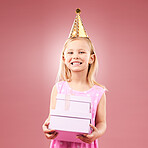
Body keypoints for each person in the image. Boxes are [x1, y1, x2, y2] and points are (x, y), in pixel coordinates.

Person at [42, 8, 108, 148]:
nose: (76, 56)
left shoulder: (98, 92)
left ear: (91, 58)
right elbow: (52, 116)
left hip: (86, 145)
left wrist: (97, 133)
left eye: (81, 52)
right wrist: (47, 127)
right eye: (71, 52)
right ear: (64, 58)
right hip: (61, 144)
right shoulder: (59, 88)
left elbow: (102, 122)